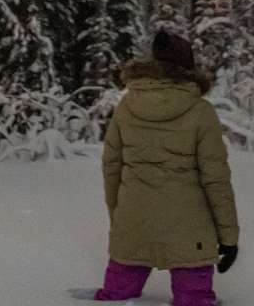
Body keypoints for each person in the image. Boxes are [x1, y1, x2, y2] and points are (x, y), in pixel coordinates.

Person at [72, 30, 239, 305]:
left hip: (133, 215)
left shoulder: (127, 106)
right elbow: (216, 179)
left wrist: (120, 215)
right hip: (189, 225)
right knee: (195, 298)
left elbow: (111, 165)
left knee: (115, 296)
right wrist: (228, 237)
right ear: (188, 67)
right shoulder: (201, 111)